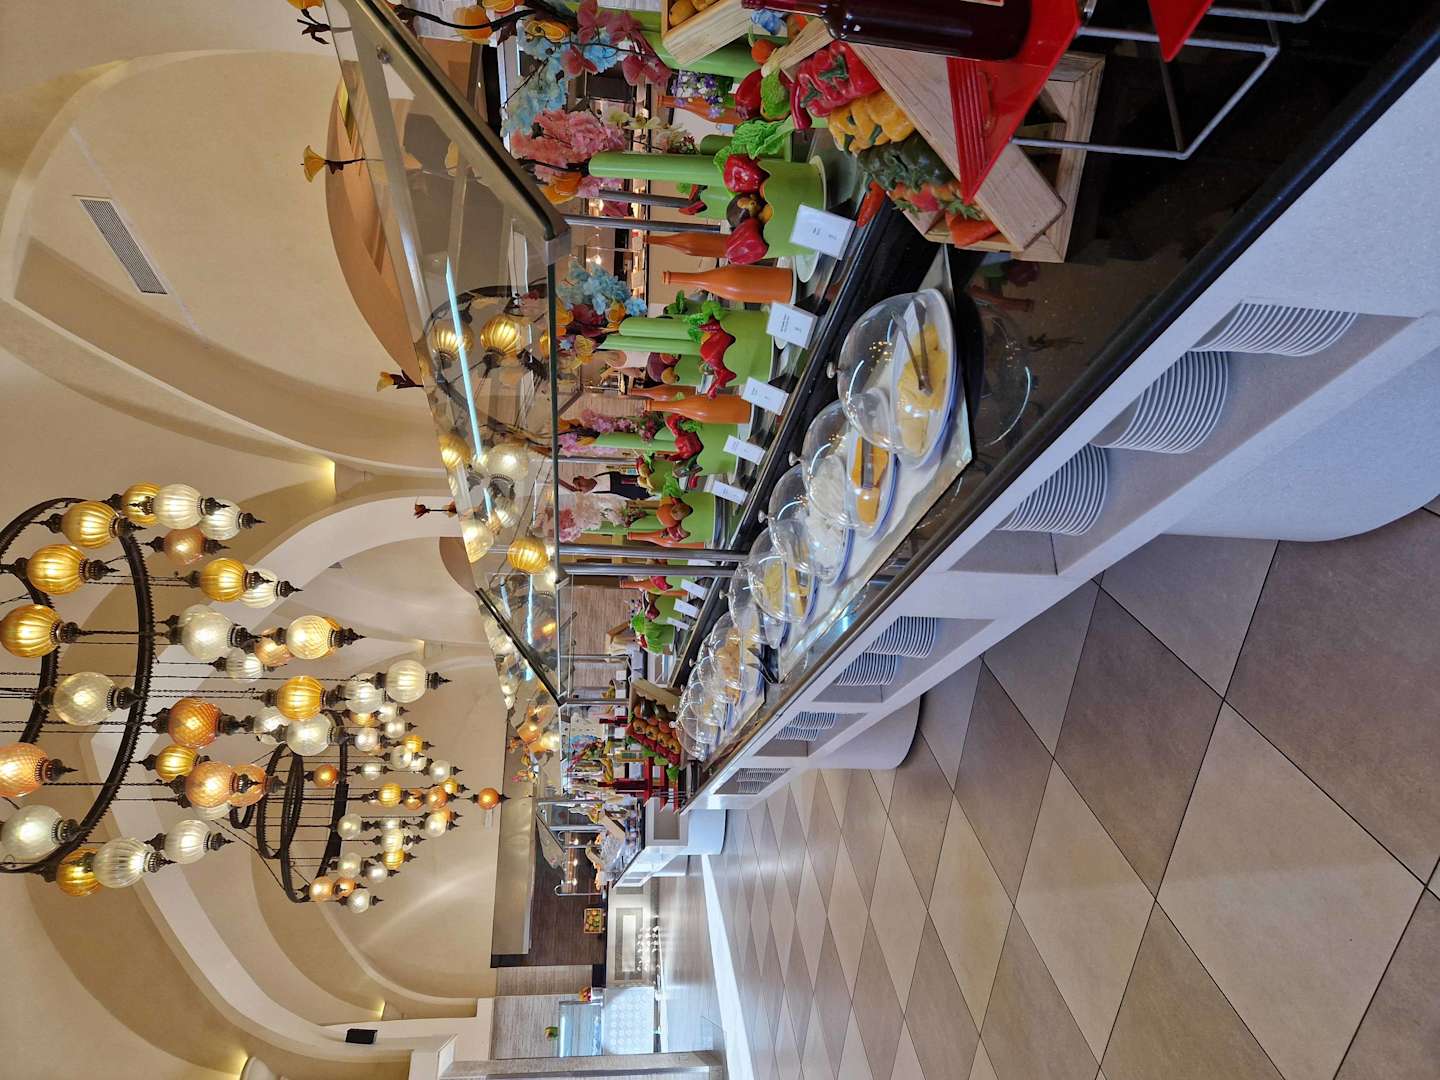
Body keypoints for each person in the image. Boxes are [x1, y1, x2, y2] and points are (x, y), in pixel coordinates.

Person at [560, 470, 650, 501]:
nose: (582, 487)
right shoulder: (596, 496)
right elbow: (572, 490)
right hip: (641, 494)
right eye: (580, 489)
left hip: (642, 479)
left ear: (582, 477)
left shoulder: (600, 474)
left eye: (580, 483)